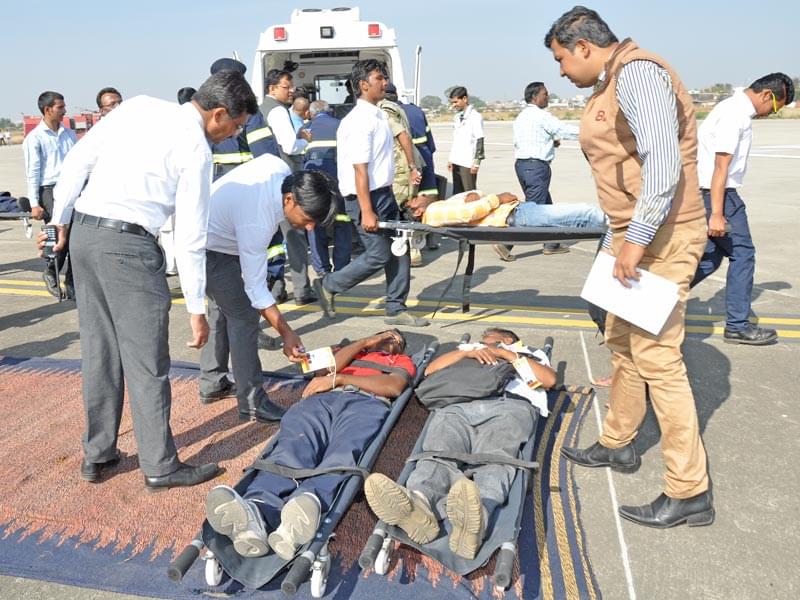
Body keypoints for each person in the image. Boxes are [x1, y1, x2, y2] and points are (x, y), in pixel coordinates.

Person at [45, 70, 257, 490]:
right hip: (129, 247)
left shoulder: (139, 105)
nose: (231, 135)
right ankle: (160, 465)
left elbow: (78, 161)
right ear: (218, 113)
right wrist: (197, 307)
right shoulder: (196, 147)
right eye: (235, 126)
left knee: (100, 352)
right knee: (147, 363)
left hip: (86, 235)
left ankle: (98, 454)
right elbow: (192, 234)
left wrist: (59, 221)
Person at [545, 6, 713, 528]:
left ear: (584, 47)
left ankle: (690, 490)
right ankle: (619, 442)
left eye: (560, 60)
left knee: (658, 356)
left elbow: (662, 160)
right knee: (619, 338)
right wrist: (622, 237)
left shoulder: (638, 73)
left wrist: (635, 242)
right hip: (632, 232)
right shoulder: (609, 81)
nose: (560, 71)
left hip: (661, 234)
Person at [204, 330, 414, 559]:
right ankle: (258, 509)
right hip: (321, 400)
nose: (389, 340)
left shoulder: (401, 361)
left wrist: (340, 379)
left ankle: (304, 508)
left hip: (366, 403)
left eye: (396, 339)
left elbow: (393, 386)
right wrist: (362, 343)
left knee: (342, 453)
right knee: (293, 448)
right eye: (385, 335)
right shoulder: (347, 353)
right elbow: (320, 369)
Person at [365, 328, 556, 559]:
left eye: (487, 337)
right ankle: (419, 503)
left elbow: (548, 380)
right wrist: (467, 353)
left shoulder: (526, 353)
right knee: (438, 451)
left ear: (507, 338)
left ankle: (477, 517)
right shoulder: (466, 350)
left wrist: (504, 354)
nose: (483, 339)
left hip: (510, 405)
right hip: (458, 403)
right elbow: (430, 371)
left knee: (495, 456)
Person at [200, 157, 336, 420]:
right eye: (307, 218)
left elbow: (267, 158)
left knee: (221, 309)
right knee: (243, 317)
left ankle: (212, 382)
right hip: (210, 246)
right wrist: (286, 332)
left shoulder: (281, 172)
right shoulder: (257, 221)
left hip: (219, 230)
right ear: (289, 199)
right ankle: (253, 402)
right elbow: (256, 290)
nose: (309, 227)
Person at [313, 60, 429, 327]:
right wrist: (366, 210)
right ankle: (329, 284)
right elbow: (360, 170)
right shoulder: (358, 121)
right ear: (363, 85)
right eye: (379, 78)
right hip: (364, 197)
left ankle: (396, 307)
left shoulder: (378, 115)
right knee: (379, 254)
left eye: (384, 77)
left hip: (384, 194)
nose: (384, 82)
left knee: (399, 249)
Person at [691, 73, 794, 346]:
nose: (770, 114)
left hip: (709, 194)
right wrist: (716, 213)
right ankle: (737, 325)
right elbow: (720, 166)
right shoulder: (734, 114)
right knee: (743, 254)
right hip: (720, 196)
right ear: (766, 96)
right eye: (774, 109)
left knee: (710, 258)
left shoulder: (730, 108)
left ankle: (660, 299)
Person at [503, 81, 579, 259]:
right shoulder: (541, 116)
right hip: (535, 167)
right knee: (532, 210)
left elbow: (527, 140)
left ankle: (551, 244)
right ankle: (505, 242)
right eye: (545, 94)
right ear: (535, 97)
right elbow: (562, 129)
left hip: (523, 166)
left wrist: (551, 142)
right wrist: (590, 132)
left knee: (547, 207)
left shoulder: (522, 117)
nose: (548, 96)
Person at [260, 69, 315, 303]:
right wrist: (306, 140)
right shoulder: (278, 112)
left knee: (271, 240)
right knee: (294, 237)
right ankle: (302, 290)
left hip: (264, 184)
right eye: (286, 86)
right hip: (284, 183)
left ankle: (276, 288)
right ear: (272, 88)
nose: (291, 90)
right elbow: (290, 146)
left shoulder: (258, 111)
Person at [23, 91, 77, 299]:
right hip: (49, 190)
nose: (64, 111)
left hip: (71, 187)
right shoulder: (35, 138)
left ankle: (72, 280)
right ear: (47, 110)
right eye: (60, 107)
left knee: (77, 237)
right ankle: (51, 273)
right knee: (58, 236)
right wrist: (35, 203)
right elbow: (32, 173)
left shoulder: (69, 134)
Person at [303, 100, 352, 277]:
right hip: (339, 183)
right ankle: (342, 267)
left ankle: (322, 269)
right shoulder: (341, 126)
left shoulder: (304, 129)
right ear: (329, 111)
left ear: (311, 113)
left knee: (315, 225)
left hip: (313, 185)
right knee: (342, 222)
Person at [380, 84, 424, 266]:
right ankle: (411, 249)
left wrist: (412, 166)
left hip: (401, 168)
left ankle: (411, 250)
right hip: (405, 166)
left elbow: (402, 136)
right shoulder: (400, 108)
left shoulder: (386, 111)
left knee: (401, 209)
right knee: (407, 206)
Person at [418, 189, 604, 229]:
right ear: (417, 211)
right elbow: (468, 213)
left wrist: (474, 194)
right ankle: (625, 229)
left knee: (581, 217)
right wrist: (498, 198)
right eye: (414, 199)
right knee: (586, 212)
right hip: (512, 214)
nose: (421, 195)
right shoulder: (433, 212)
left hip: (515, 212)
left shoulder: (437, 207)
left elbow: (472, 199)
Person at [447, 86, 484, 195]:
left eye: (456, 102)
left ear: (465, 99)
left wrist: (476, 162)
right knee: (457, 194)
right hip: (457, 160)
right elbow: (456, 140)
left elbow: (479, 140)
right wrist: (451, 159)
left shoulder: (475, 117)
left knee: (469, 193)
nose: (454, 105)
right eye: (452, 103)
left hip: (468, 162)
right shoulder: (457, 117)